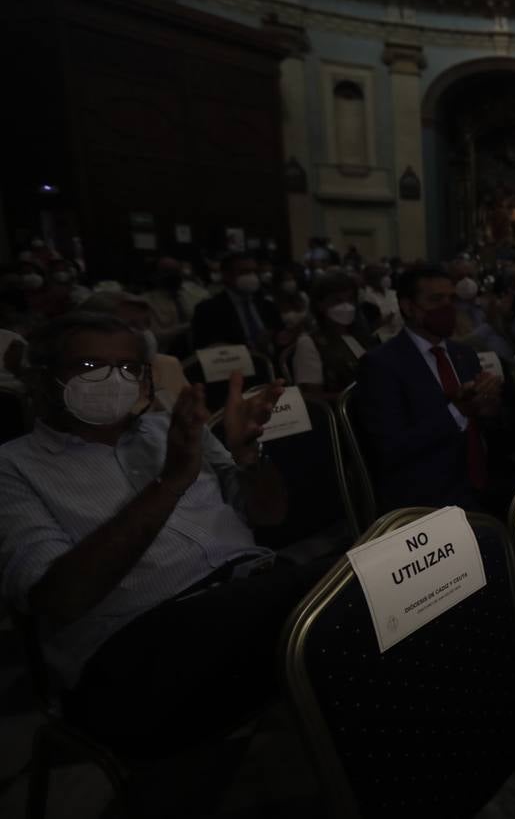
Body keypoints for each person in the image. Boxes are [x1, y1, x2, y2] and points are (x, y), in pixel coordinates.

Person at [0, 312, 325, 753]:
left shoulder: (167, 429)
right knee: (342, 600)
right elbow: (57, 598)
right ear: (41, 379)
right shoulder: (13, 467)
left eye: (129, 368)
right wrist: (169, 483)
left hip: (247, 598)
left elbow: (269, 516)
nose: (114, 380)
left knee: (365, 596)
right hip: (135, 650)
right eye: (91, 367)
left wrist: (248, 457)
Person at [354, 268, 502, 513]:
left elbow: (486, 422)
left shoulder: (463, 354)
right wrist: (458, 411)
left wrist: (489, 405)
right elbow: (390, 448)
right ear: (408, 307)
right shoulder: (381, 364)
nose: (447, 307)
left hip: (480, 480)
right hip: (426, 493)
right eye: (435, 300)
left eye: (450, 299)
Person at [79, 291, 189, 411]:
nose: (144, 333)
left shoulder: (167, 365)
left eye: (146, 323)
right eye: (130, 325)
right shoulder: (86, 378)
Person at [293, 273, 376, 400]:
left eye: (350, 299)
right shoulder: (310, 342)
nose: (346, 306)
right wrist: (358, 396)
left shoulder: (360, 334)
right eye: (337, 301)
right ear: (320, 305)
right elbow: (312, 396)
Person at [190, 253, 281, 352]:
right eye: (245, 272)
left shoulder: (268, 305)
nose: (252, 276)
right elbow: (205, 347)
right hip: (233, 363)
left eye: (254, 271)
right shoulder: (208, 309)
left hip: (271, 361)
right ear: (227, 275)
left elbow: (280, 335)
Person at [360, 265, 402, 342]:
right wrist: (391, 315)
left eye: (387, 276)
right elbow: (373, 325)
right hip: (382, 337)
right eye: (383, 276)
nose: (387, 279)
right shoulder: (367, 298)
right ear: (374, 279)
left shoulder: (392, 293)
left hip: (399, 332)